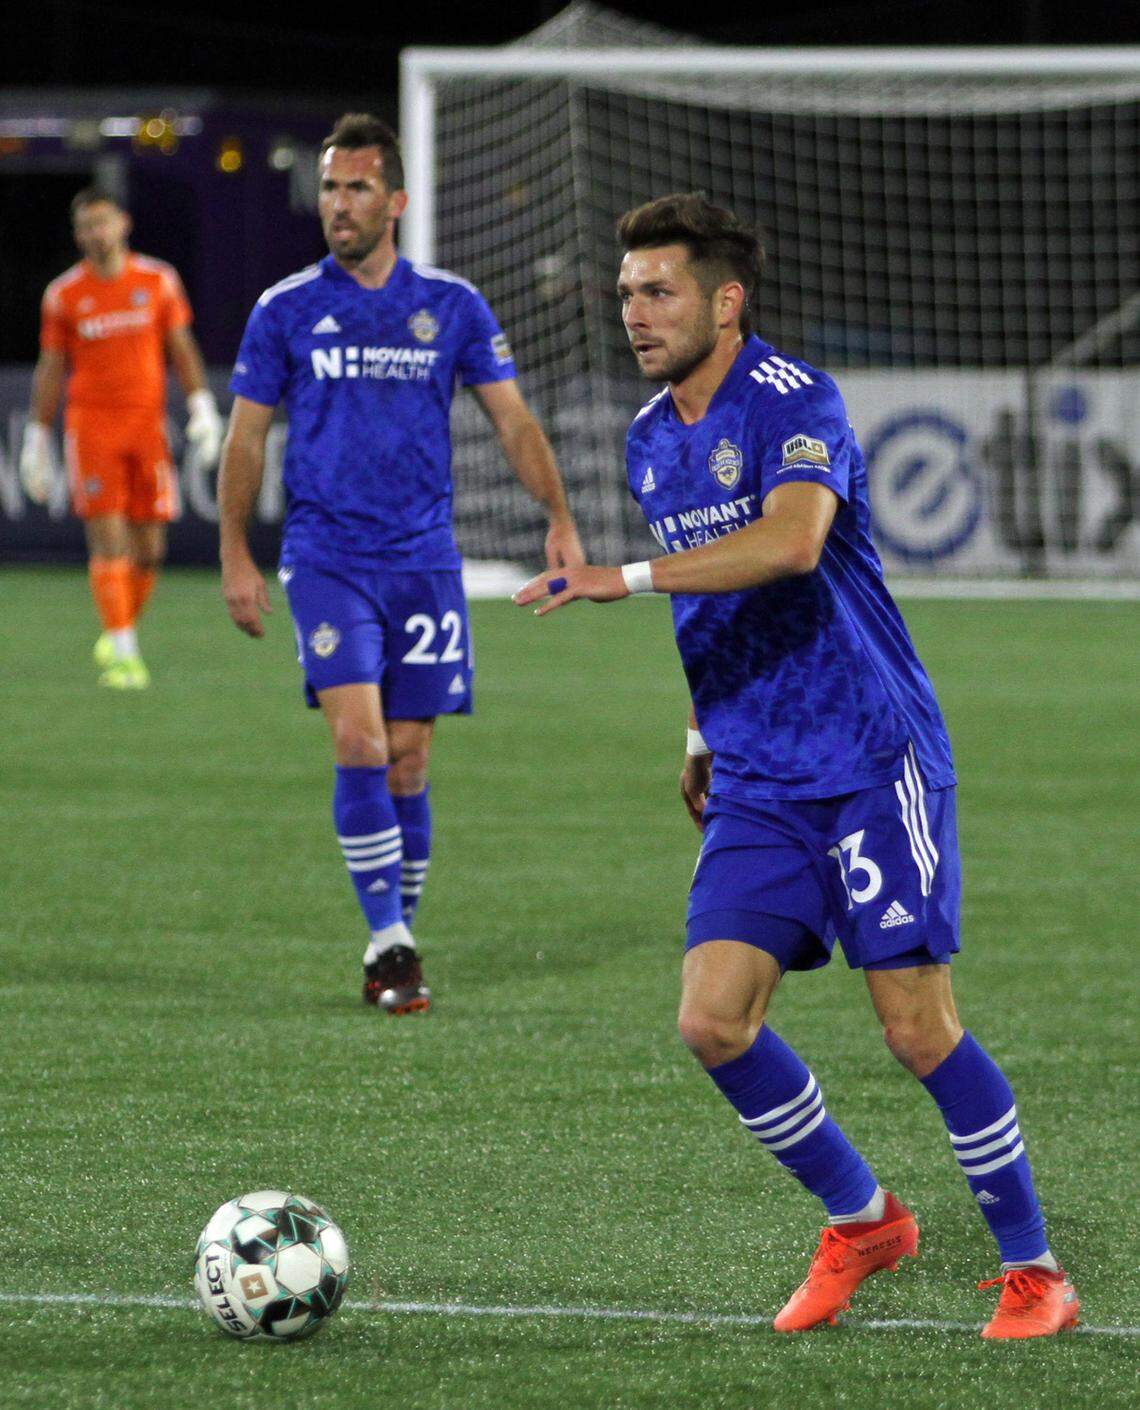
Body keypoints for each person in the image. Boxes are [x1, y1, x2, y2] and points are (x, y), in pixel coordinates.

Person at [514, 193, 1077, 1339]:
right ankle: (864, 1218)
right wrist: (697, 731)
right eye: (626, 292)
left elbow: (791, 541)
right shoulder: (647, 436)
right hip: (758, 773)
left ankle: (1037, 1274)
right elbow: (711, 600)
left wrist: (618, 577)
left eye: (659, 289)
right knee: (712, 1022)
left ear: (727, 300)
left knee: (918, 1031)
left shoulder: (794, 399)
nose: (636, 311)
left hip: (871, 756)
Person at [219, 113, 583, 1015]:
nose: (337, 205)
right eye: (331, 188)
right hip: (326, 556)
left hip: (422, 560)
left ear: (396, 201)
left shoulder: (451, 306)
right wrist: (235, 552)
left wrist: (560, 515)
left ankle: (398, 938)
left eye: (355, 188)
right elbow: (246, 437)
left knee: (411, 759)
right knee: (361, 741)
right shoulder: (286, 307)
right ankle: (389, 937)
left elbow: (511, 418)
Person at [21, 188, 223, 689]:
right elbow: (51, 368)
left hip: (146, 426)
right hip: (91, 429)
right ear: (77, 235)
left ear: (123, 223)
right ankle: (125, 653)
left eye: (103, 222)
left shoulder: (158, 280)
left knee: (151, 549)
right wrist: (37, 437)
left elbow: (181, 346)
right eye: (86, 226)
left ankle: (119, 627)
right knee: (109, 542)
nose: (96, 234)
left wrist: (201, 406)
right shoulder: (64, 294)